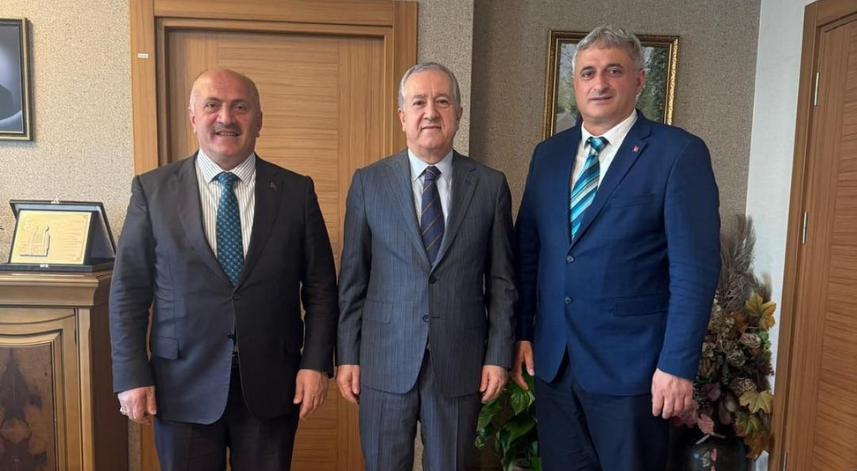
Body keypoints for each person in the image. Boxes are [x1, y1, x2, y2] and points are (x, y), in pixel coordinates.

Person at [512, 25, 721, 471]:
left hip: (635, 372)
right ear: (575, 83)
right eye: (588, 73)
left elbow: (694, 271)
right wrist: (523, 332)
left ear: (639, 80)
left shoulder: (678, 153)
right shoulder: (548, 155)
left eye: (614, 70)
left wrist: (677, 365)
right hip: (556, 364)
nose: (599, 83)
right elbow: (529, 253)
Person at [109, 68, 338, 471]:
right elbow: (129, 291)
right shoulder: (152, 190)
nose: (226, 118)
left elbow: (320, 288)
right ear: (193, 117)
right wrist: (130, 374)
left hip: (273, 384)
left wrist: (315, 363)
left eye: (240, 107)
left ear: (259, 121)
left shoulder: (296, 191)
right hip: (180, 386)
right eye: (212, 105)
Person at [336, 62, 516, 471]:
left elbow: (503, 281)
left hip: (460, 362)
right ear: (403, 116)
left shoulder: (490, 185)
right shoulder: (368, 183)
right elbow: (352, 280)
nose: (430, 112)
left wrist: (497, 355)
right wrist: (347, 355)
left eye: (442, 101)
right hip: (384, 361)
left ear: (458, 113)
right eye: (419, 102)